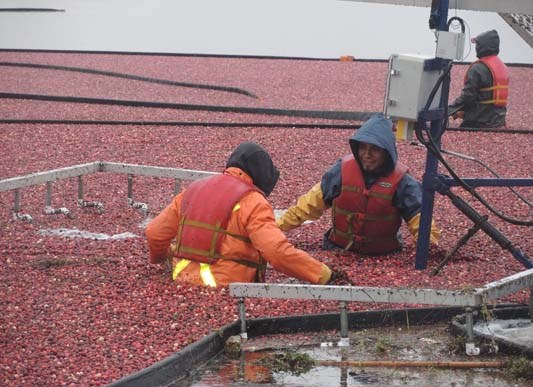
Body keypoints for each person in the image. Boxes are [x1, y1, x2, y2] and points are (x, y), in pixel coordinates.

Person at [146, 141, 332, 287]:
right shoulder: (253, 201)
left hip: (181, 282)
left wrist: (163, 259)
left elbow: (154, 233)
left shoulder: (192, 190)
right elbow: (276, 252)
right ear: (262, 178)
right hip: (227, 289)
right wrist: (322, 274)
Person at [276, 113, 440, 255]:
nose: (367, 155)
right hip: (338, 249)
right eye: (363, 148)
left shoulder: (403, 182)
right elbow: (307, 206)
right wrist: (275, 228)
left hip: (384, 255)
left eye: (374, 149)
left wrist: (428, 250)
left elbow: (421, 222)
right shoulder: (341, 172)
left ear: (387, 152)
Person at [449, 29, 509, 129]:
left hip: (479, 121)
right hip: (498, 121)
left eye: (477, 45)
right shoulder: (503, 67)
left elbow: (468, 96)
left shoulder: (477, 68)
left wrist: (449, 109)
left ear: (482, 46)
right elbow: (485, 97)